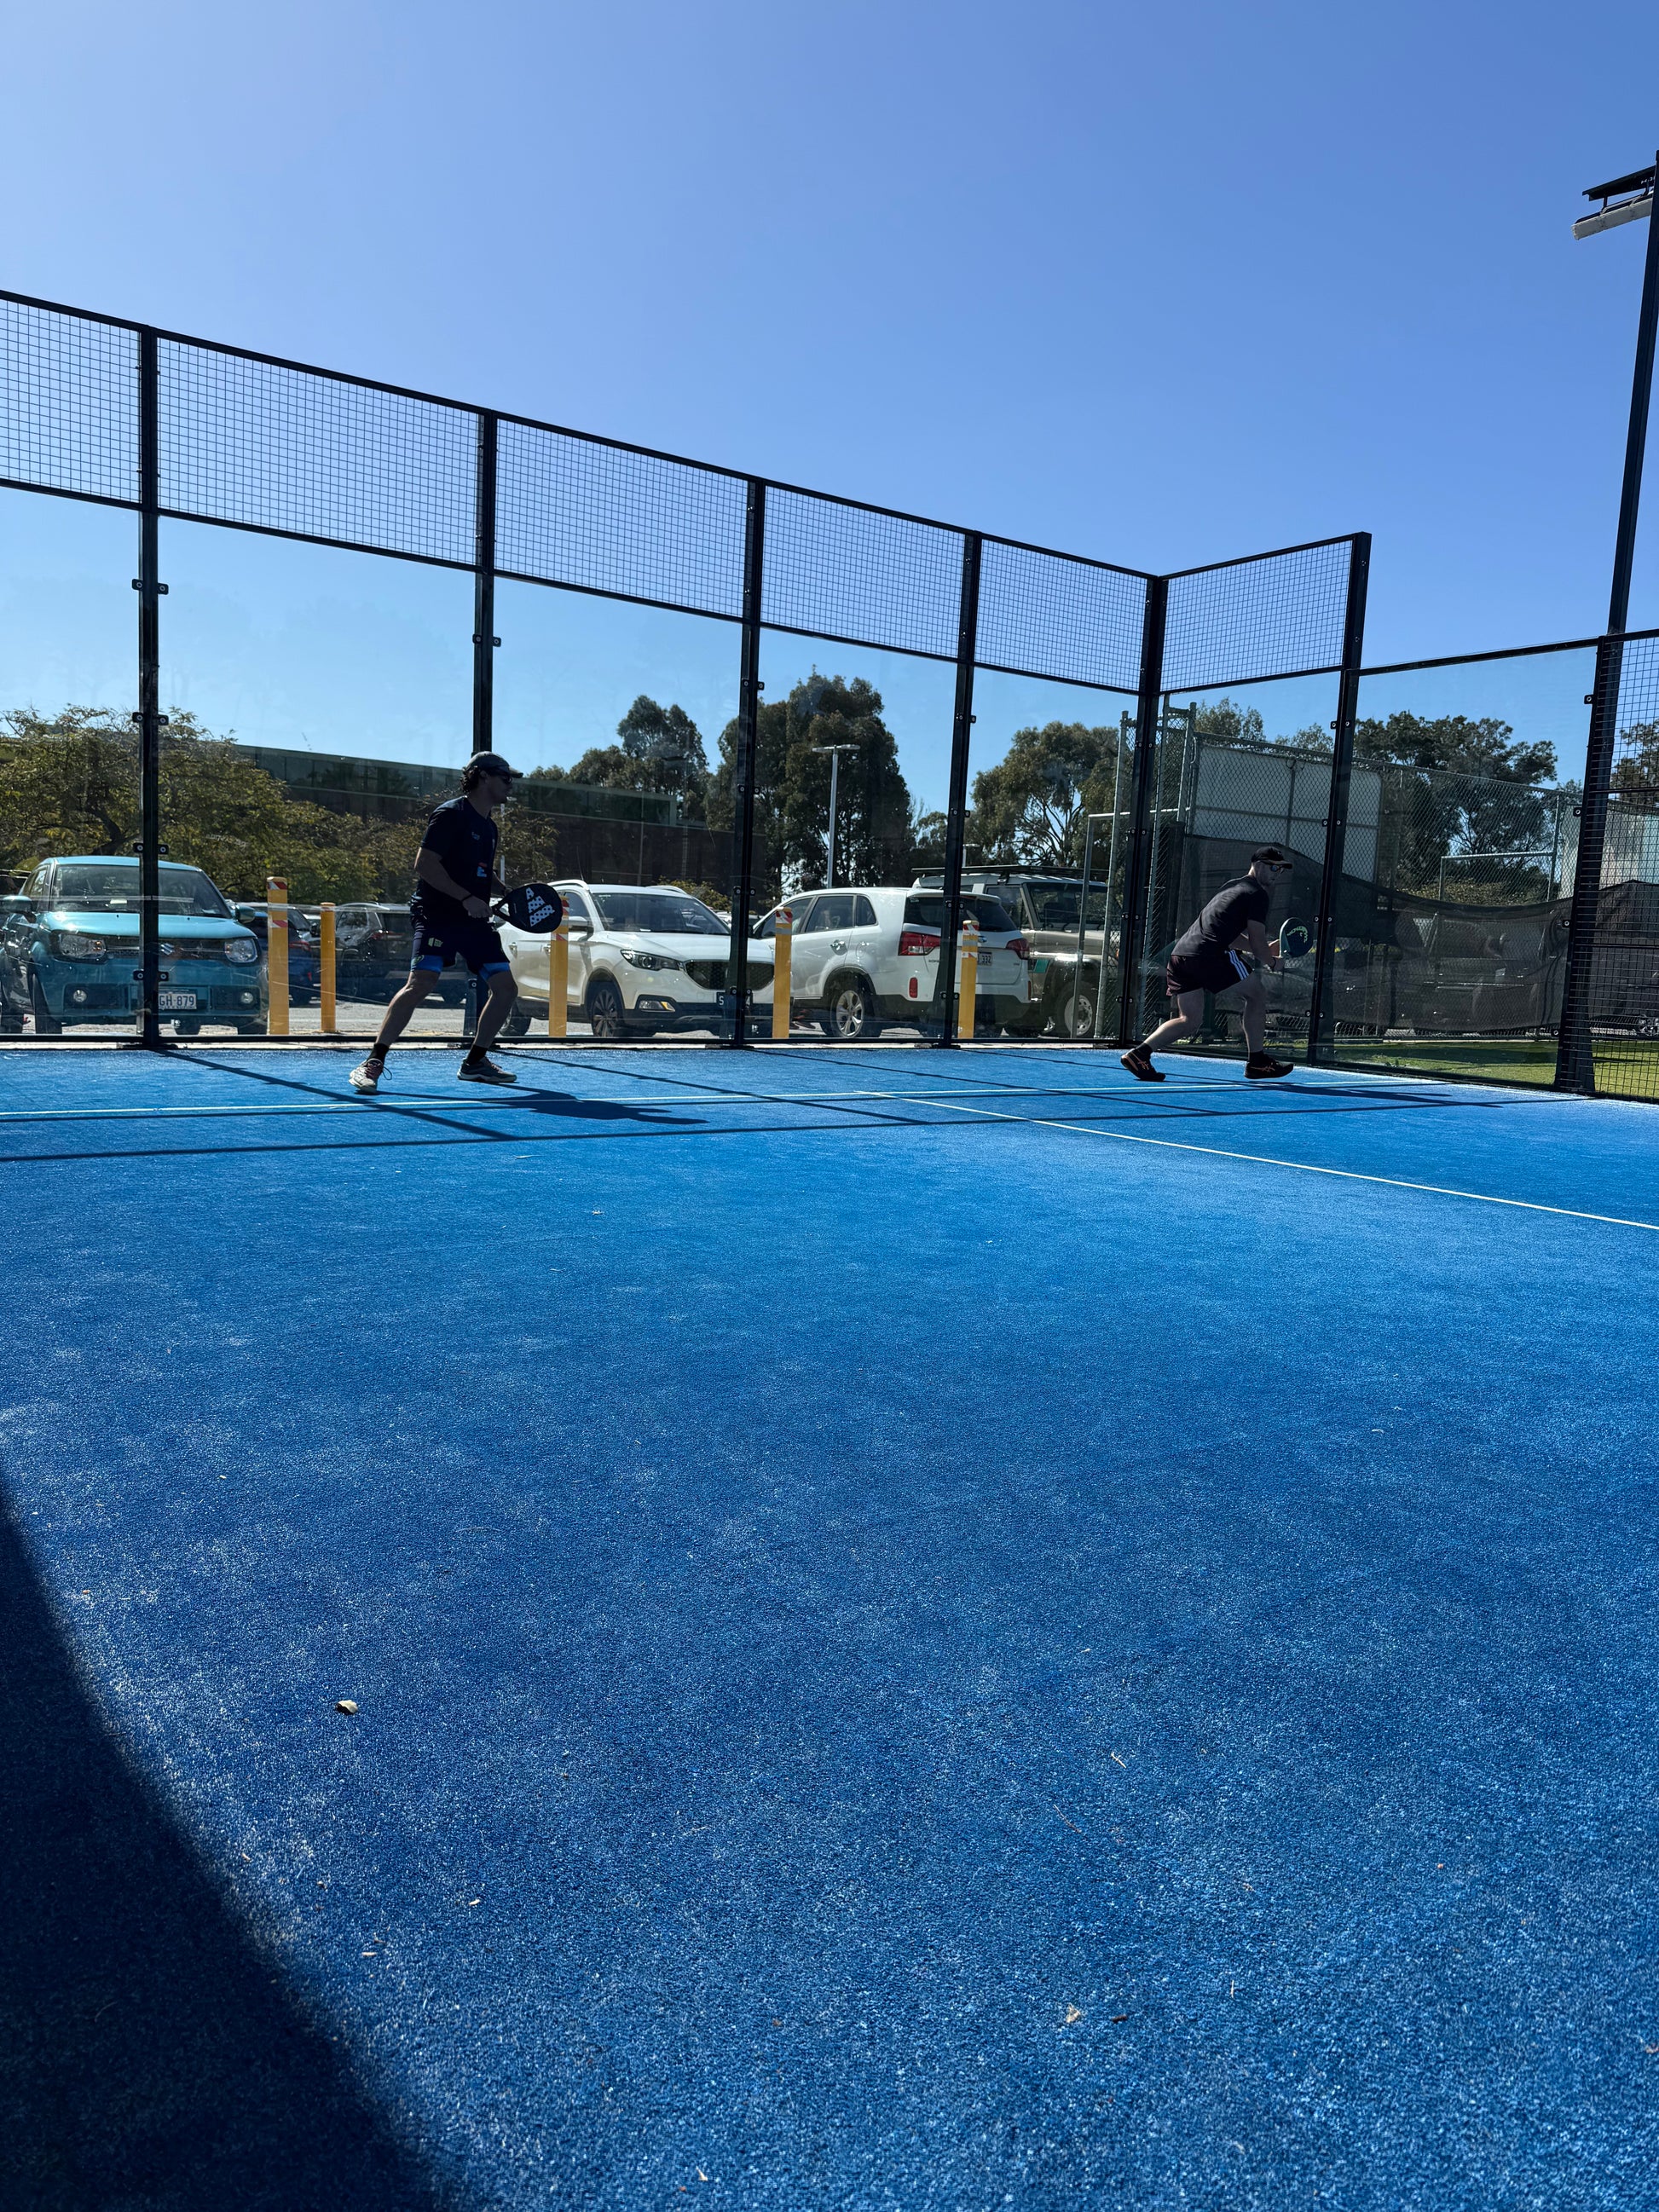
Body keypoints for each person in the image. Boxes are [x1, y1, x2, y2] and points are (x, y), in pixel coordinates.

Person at [350, 754, 523, 1093]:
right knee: (422, 983)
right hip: (437, 916)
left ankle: (475, 1062)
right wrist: (466, 898)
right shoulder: (450, 814)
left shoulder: (489, 827)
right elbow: (425, 864)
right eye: (505, 778)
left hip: (473, 921)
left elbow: (480, 871)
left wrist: (503, 890)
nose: (510, 785)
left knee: (506, 989)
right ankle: (373, 1061)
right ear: (483, 777)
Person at [1120, 846, 1296, 1083]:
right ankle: (1257, 1062)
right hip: (1209, 955)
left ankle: (1139, 1054)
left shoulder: (1231, 888)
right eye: (1273, 867)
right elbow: (1256, 940)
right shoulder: (1257, 894)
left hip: (1181, 955)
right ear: (1258, 864)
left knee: (1189, 1020)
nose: (1277, 874)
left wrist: (1263, 950)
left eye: (1281, 870)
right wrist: (1273, 962)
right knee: (1257, 994)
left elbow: (1228, 934)